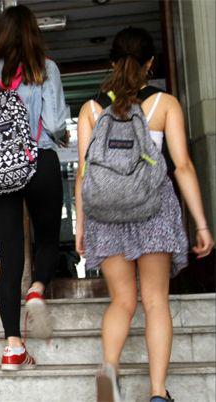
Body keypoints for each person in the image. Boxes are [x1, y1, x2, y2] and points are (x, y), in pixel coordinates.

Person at [75, 27, 214, 402]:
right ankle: (156, 394)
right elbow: (182, 166)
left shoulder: (90, 109)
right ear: (151, 63)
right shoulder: (164, 104)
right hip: (154, 210)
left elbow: (84, 173)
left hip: (105, 213)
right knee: (155, 301)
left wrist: (81, 224)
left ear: (112, 63)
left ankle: (108, 381)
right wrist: (201, 224)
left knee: (122, 300)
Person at [0, 4, 69, 370]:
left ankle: (12, 346)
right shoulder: (45, 68)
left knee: (9, 258)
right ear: (33, 33)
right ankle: (38, 289)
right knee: (46, 239)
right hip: (39, 160)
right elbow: (56, 122)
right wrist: (62, 136)